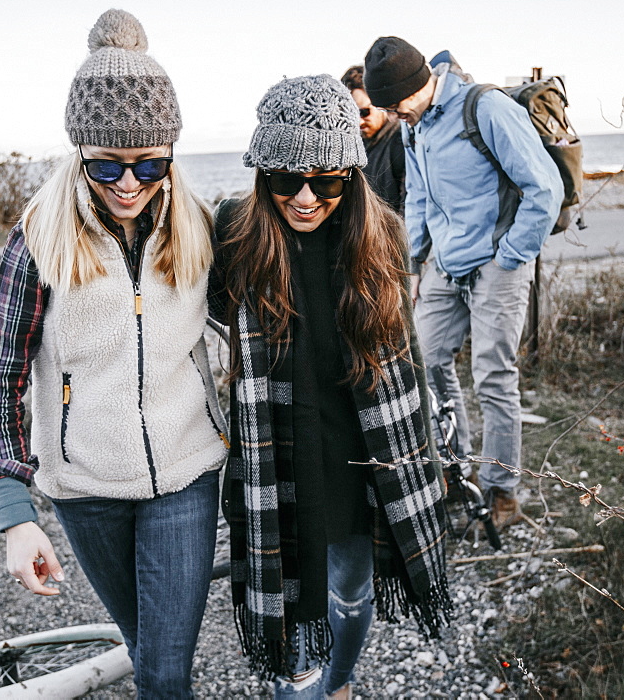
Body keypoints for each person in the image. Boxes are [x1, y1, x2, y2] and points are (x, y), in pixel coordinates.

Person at [0, 9, 227, 699]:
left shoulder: (199, 228)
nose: (128, 183)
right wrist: (16, 512)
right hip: (84, 487)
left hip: (186, 475)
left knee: (166, 665)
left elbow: (265, 315)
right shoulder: (37, 241)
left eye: (150, 164)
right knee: (146, 646)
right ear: (77, 152)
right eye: (106, 165)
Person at [210, 74, 451, 699]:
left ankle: (339, 683)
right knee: (291, 624)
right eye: (287, 179)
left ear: (352, 174)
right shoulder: (236, 234)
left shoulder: (382, 237)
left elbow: (407, 362)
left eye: (327, 180)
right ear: (263, 175)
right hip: (278, 458)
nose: (307, 197)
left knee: (351, 594)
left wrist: (423, 456)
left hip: (363, 457)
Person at [363, 36, 563, 530]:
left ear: (419, 84)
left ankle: (502, 496)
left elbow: (546, 187)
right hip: (444, 267)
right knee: (426, 362)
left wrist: (513, 255)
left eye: (396, 105)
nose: (393, 115)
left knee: (493, 377)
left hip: (499, 264)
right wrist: (412, 264)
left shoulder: (486, 108)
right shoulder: (414, 126)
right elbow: (420, 201)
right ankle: (455, 472)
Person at [339, 64, 406, 214]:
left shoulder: (402, 142)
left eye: (364, 112)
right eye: (350, 115)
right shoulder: (349, 148)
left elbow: (411, 207)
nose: (359, 121)